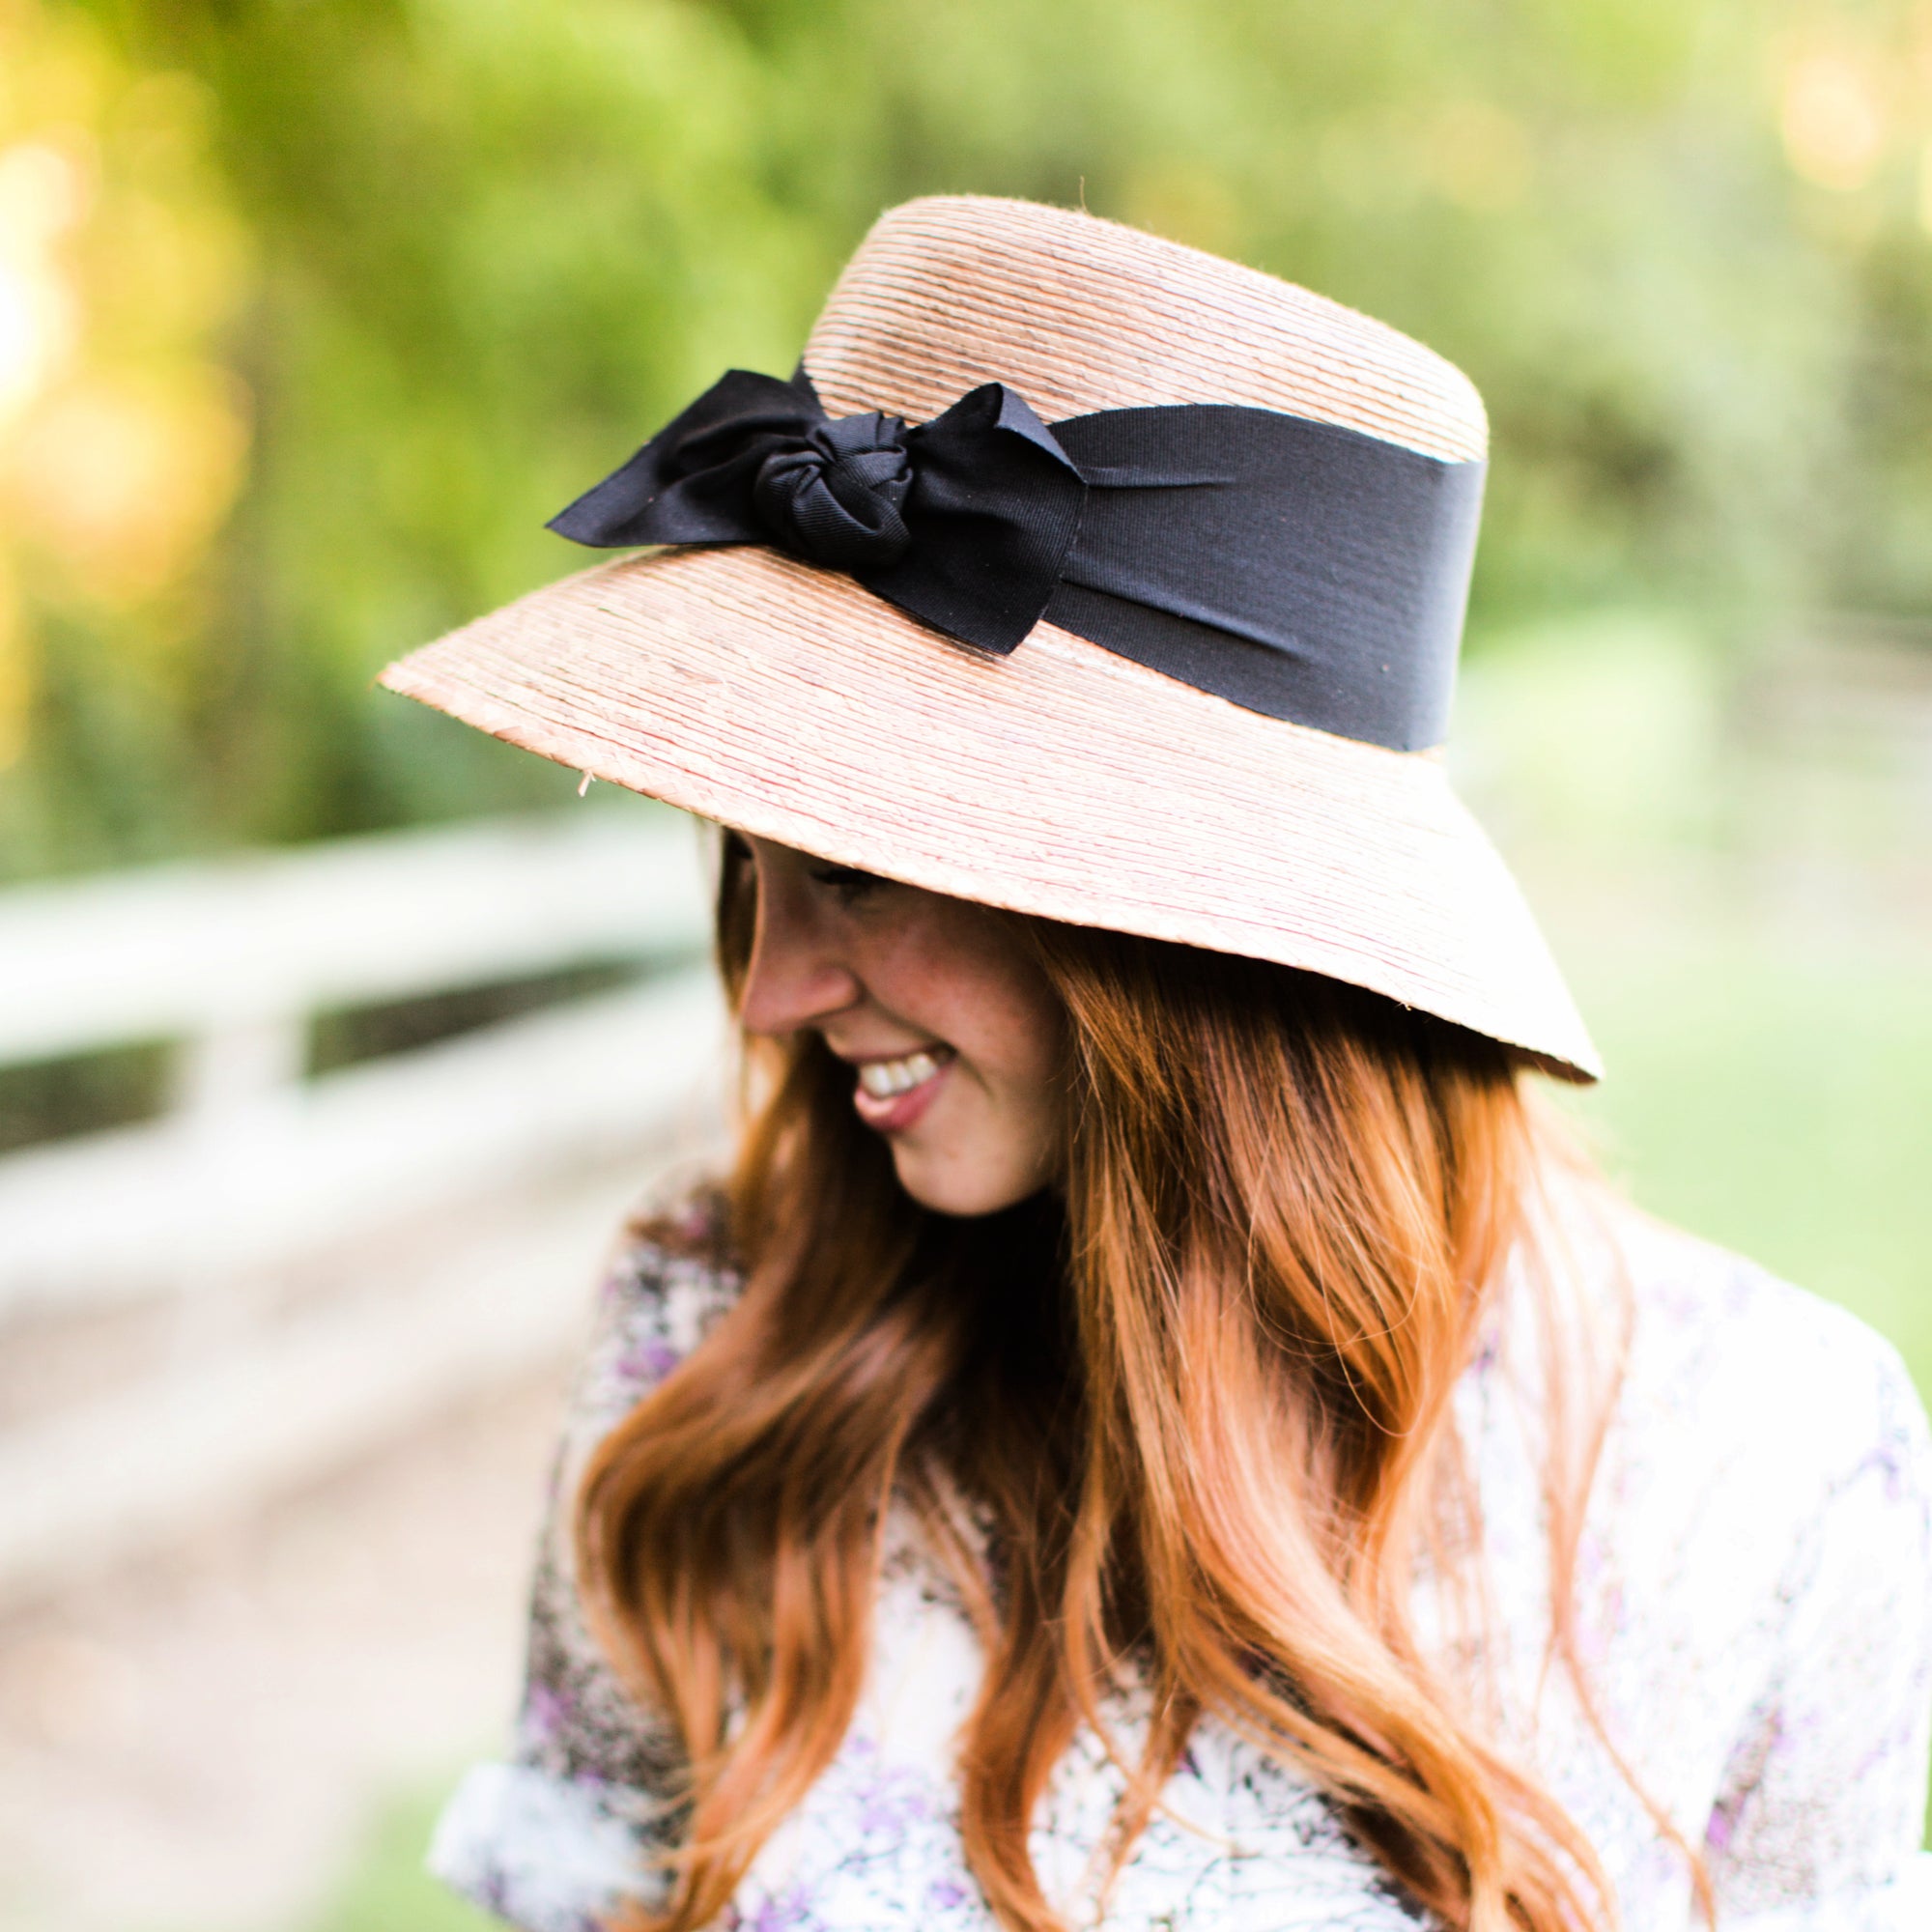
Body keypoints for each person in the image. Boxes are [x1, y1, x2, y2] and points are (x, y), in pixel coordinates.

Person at [379, 197, 1932, 1932]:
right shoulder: (723, 1344)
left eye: (854, 873)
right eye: (748, 861)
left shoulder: (1773, 1463)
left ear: (1176, 933)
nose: (772, 992)